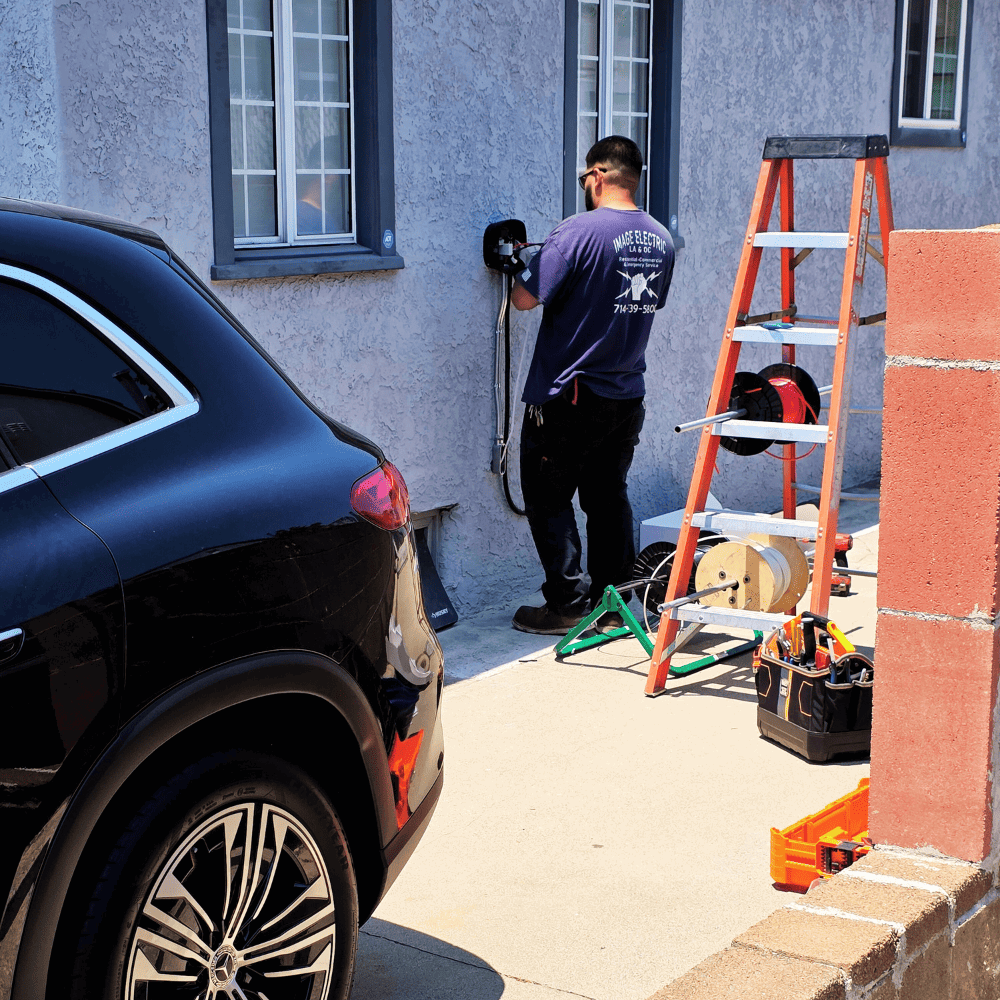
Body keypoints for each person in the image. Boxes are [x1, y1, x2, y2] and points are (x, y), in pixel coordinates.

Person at [510, 135, 674, 635]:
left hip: (570, 396)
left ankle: (568, 606)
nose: (584, 185)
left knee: (548, 497)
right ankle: (615, 602)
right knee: (607, 496)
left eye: (585, 177)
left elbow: (523, 299)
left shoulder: (575, 233)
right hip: (626, 396)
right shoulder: (662, 239)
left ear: (599, 176)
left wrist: (525, 263)